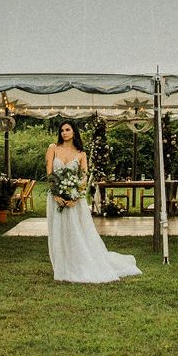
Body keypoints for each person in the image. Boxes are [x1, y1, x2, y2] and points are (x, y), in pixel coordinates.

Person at [46, 121, 141, 283]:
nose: (64, 133)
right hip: (56, 197)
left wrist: (75, 197)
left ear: (74, 132)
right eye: (62, 130)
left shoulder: (81, 153)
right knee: (58, 231)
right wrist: (56, 194)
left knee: (77, 231)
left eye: (67, 129)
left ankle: (78, 263)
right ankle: (62, 265)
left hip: (74, 198)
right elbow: (49, 173)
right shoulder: (53, 148)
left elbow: (84, 177)